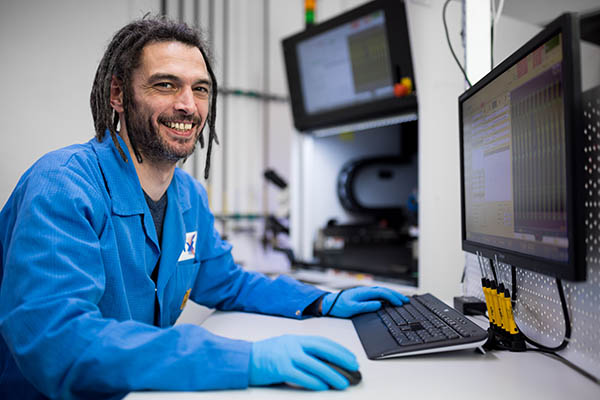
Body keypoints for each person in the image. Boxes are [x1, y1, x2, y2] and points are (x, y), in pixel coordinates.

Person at [0, 16, 409, 399]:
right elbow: (56, 340)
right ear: (118, 94)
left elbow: (228, 283)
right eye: (165, 85)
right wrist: (245, 359)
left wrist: (324, 301)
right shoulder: (62, 186)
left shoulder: (188, 196)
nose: (188, 106)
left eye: (200, 89)